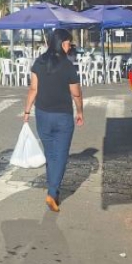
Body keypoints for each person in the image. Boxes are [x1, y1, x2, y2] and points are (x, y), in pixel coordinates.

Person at [23, 29, 84, 212]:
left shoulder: (39, 62)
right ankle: (52, 192)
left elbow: (33, 89)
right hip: (63, 117)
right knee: (61, 156)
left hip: (42, 115)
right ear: (62, 43)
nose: (69, 47)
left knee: (50, 154)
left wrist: (27, 111)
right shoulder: (67, 65)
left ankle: (54, 192)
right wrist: (80, 111)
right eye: (68, 44)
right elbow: (76, 92)